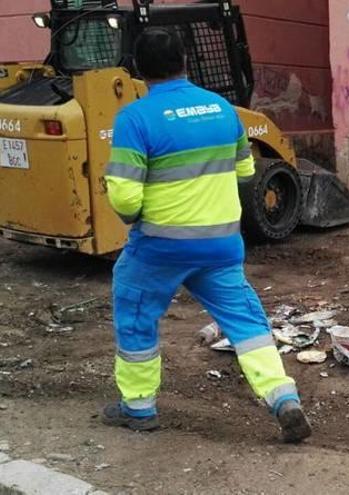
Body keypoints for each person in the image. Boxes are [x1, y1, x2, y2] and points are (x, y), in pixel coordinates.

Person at [101, 27, 311, 443]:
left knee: (137, 315)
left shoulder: (134, 118)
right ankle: (283, 398)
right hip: (220, 245)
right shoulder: (222, 109)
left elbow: (124, 198)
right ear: (185, 61)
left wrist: (144, 213)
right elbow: (246, 174)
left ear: (139, 70)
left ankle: (138, 407)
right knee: (246, 322)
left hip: (158, 247)